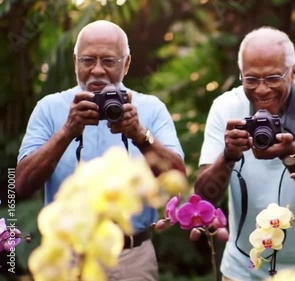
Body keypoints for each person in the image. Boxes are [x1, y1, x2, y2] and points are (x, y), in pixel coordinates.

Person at [15, 20, 185, 281]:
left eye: (108, 61)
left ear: (126, 64)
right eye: (87, 60)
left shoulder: (150, 109)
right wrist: (67, 131)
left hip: (132, 256)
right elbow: (20, 185)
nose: (97, 70)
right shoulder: (49, 108)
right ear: (75, 62)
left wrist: (140, 135)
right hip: (68, 254)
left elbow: (178, 179)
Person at [194, 26, 295, 281]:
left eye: (273, 78)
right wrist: (228, 156)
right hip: (243, 269)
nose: (262, 90)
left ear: (294, 71)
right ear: (241, 74)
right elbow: (203, 200)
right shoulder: (225, 107)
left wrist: (292, 155)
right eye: (251, 79)